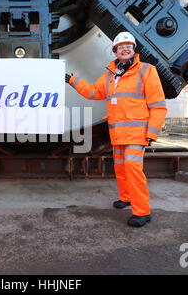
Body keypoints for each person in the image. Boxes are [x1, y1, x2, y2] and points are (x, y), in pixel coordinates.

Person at [65, 32, 167, 227]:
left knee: (132, 169)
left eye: (129, 46)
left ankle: (142, 211)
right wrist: (73, 80)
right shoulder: (111, 75)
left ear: (134, 49)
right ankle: (126, 198)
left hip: (137, 134)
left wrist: (152, 132)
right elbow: (94, 92)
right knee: (120, 168)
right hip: (118, 134)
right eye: (121, 47)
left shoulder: (147, 71)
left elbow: (158, 105)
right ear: (115, 51)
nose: (125, 49)